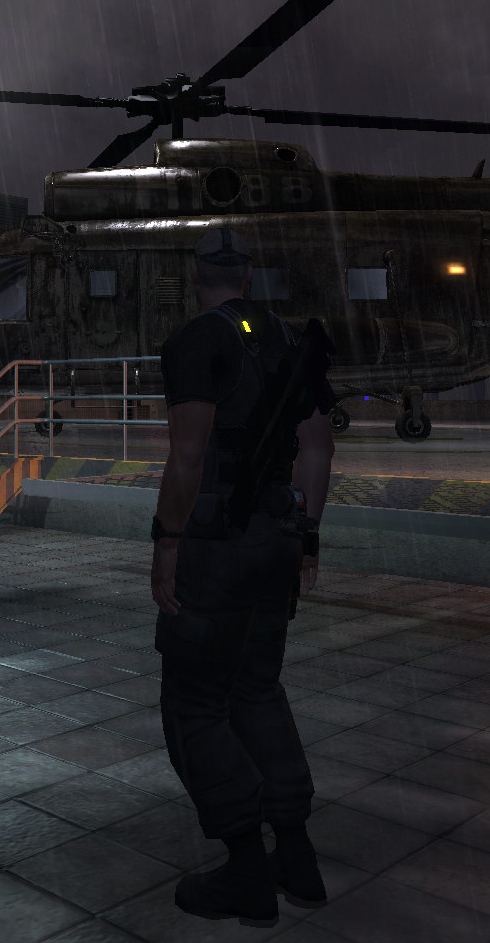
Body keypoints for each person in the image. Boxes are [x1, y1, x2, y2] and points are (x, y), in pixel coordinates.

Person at [151, 226, 336, 927]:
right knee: (257, 690)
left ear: (196, 277)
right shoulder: (292, 341)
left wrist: (167, 543)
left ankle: (246, 872)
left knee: (194, 707)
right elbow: (317, 449)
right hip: (278, 542)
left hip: (216, 549)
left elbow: (188, 458)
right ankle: (297, 857)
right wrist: (308, 536)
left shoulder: (197, 339)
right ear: (249, 275)